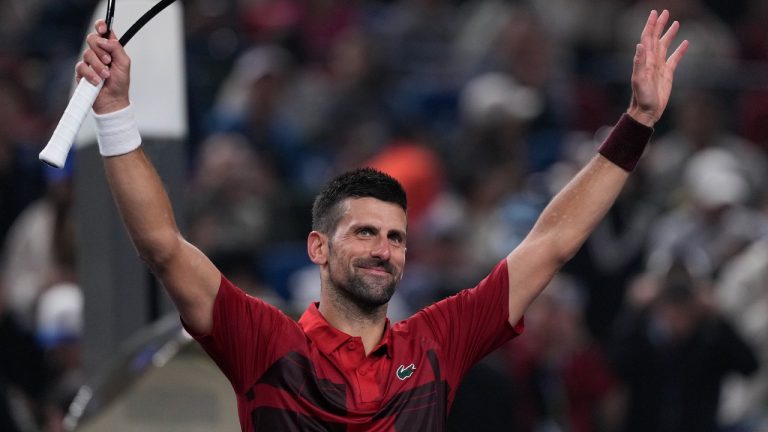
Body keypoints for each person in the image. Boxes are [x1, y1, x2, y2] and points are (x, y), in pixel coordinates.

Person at [74, 9, 687, 431]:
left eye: (396, 237)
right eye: (365, 231)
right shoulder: (265, 341)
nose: (384, 248)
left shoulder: (437, 341)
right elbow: (161, 245)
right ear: (317, 247)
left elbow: (551, 243)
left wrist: (635, 123)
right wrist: (114, 112)